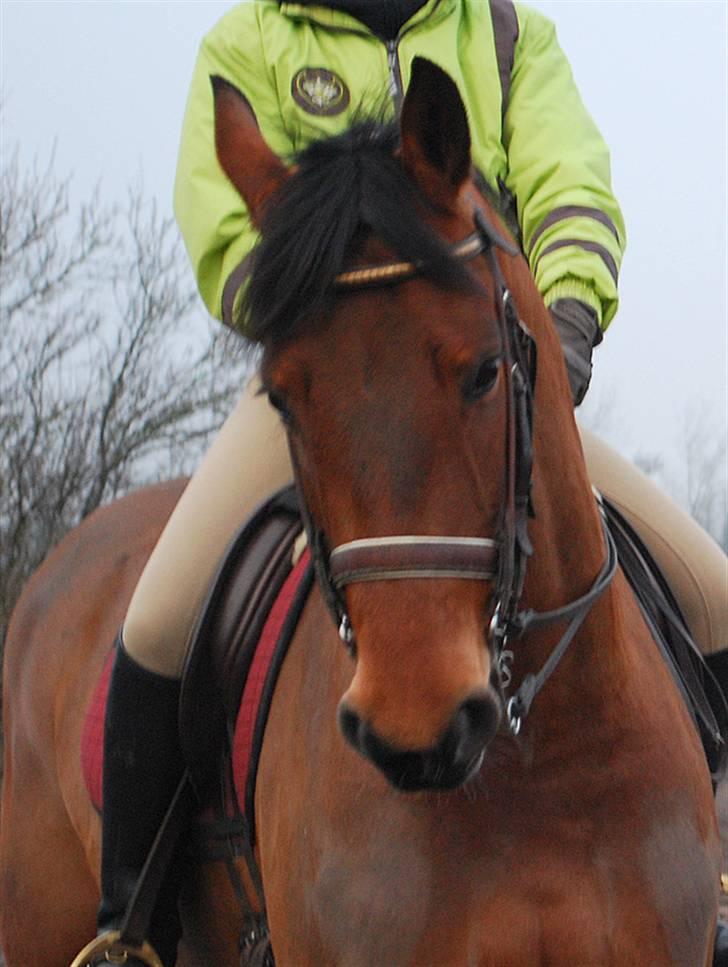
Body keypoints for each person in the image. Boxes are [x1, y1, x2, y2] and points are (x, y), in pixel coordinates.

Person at [83, 1, 728, 964]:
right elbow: (225, 234)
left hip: (485, 375)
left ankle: (712, 885)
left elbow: (570, 184)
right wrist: (327, 325)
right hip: (329, 386)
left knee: (714, 594)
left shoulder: (508, 36)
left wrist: (566, 323)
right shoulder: (249, 43)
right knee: (157, 627)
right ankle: (127, 927)